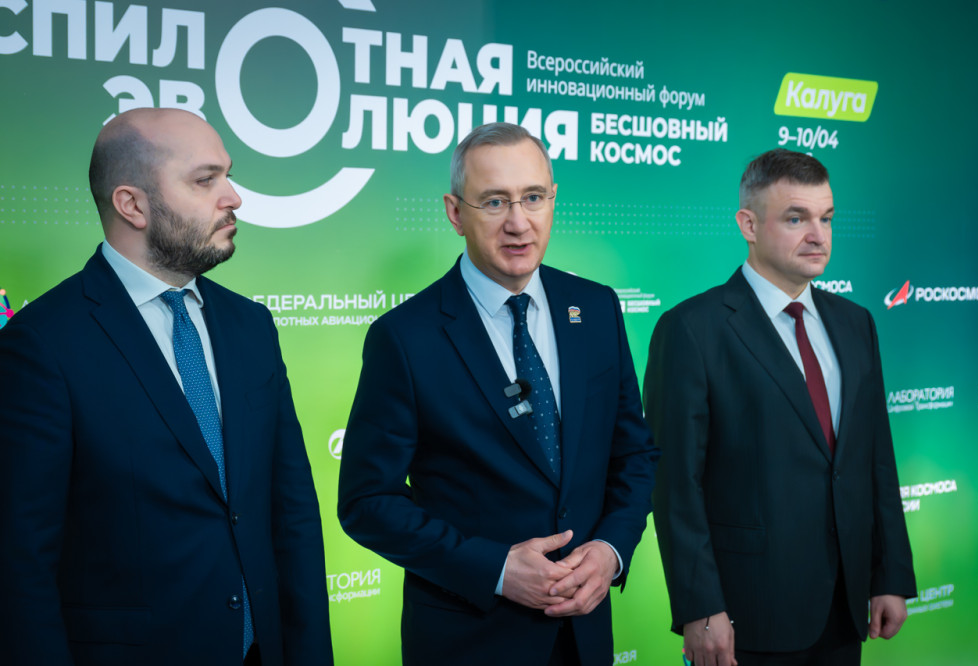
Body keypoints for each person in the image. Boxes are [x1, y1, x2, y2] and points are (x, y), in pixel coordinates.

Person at [0, 108, 333, 666]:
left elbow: (292, 513)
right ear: (132, 205)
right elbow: (21, 563)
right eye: (205, 180)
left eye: (227, 175)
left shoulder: (251, 326)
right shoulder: (42, 344)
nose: (233, 197)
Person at [338, 122, 659, 665]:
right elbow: (367, 502)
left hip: (584, 636)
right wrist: (497, 569)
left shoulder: (596, 307)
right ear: (455, 212)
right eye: (494, 201)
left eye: (533, 197)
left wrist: (610, 551)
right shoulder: (405, 337)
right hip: (469, 640)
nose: (518, 222)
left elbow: (634, 455)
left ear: (552, 200)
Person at [644, 148, 916, 666]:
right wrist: (700, 607)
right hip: (746, 614)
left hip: (845, 607)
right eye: (796, 218)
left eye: (826, 218)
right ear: (748, 225)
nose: (818, 235)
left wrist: (890, 575)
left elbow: (876, 458)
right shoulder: (691, 329)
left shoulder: (856, 322)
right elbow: (676, 484)